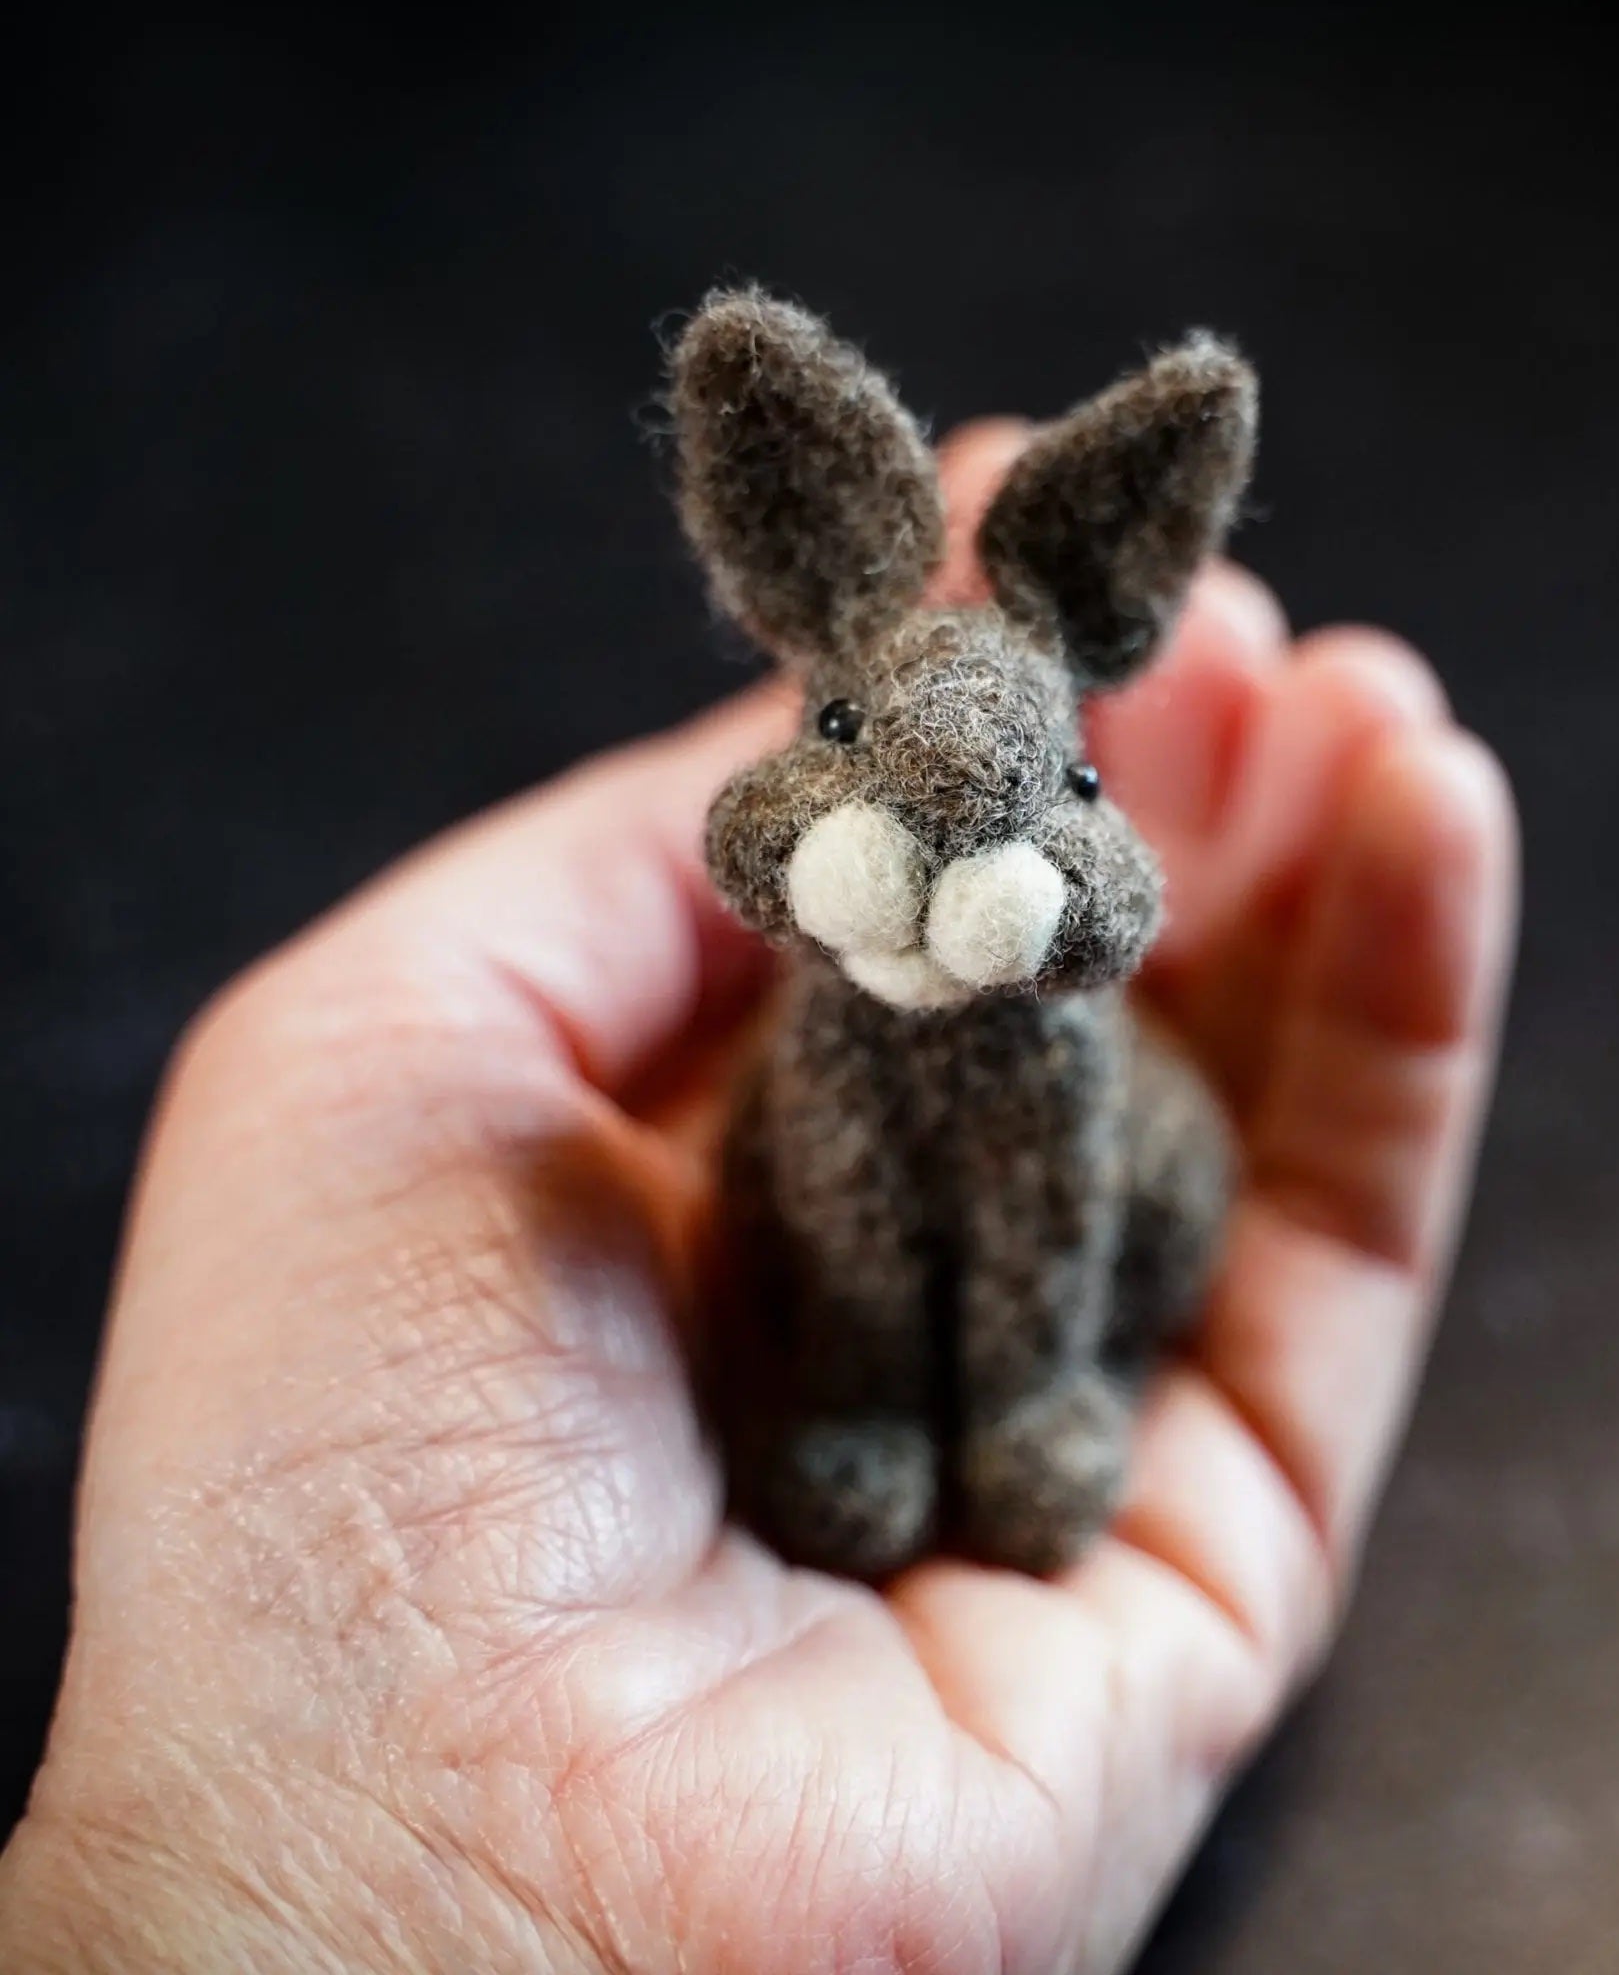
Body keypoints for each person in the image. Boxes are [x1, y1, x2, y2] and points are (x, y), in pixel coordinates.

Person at [0, 420, 1517, 1973]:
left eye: (1056, 780)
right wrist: (414, 1878)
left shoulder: (1070, 1043)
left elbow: (1049, 1225)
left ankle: (1035, 1401)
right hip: (813, 1268)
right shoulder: (826, 1016)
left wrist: (1032, 1395)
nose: (937, 871)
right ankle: (857, 1397)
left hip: (1082, 1246)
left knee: (1096, 1204)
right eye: (855, 741)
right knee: (812, 1184)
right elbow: (837, 1202)